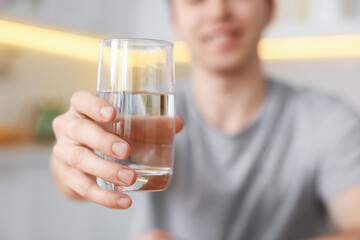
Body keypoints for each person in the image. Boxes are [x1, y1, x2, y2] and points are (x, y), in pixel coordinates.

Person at [51, 0, 360, 239]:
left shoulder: (328, 121)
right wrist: (70, 158)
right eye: (197, 0)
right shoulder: (143, 115)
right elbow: (75, 179)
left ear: (269, 10)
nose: (218, 11)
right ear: (175, 19)